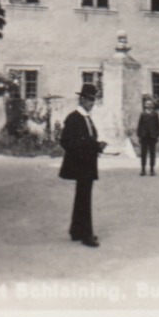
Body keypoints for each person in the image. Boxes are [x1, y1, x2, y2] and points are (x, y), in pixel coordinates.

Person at [59, 82, 107, 247]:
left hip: (88, 163)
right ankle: (86, 234)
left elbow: (87, 139)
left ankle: (76, 231)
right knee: (84, 199)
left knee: (82, 197)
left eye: (93, 100)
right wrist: (83, 152)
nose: (92, 104)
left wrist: (97, 145)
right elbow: (65, 141)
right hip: (81, 164)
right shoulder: (74, 118)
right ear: (83, 99)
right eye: (90, 100)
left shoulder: (86, 118)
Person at [137, 95, 159, 176]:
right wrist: (139, 136)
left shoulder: (155, 114)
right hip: (144, 136)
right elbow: (139, 125)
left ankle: (152, 169)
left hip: (152, 136)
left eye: (150, 104)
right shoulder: (143, 114)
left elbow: (158, 125)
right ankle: (143, 169)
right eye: (147, 104)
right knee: (143, 153)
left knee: (152, 153)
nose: (149, 106)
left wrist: (157, 135)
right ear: (145, 105)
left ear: (153, 105)